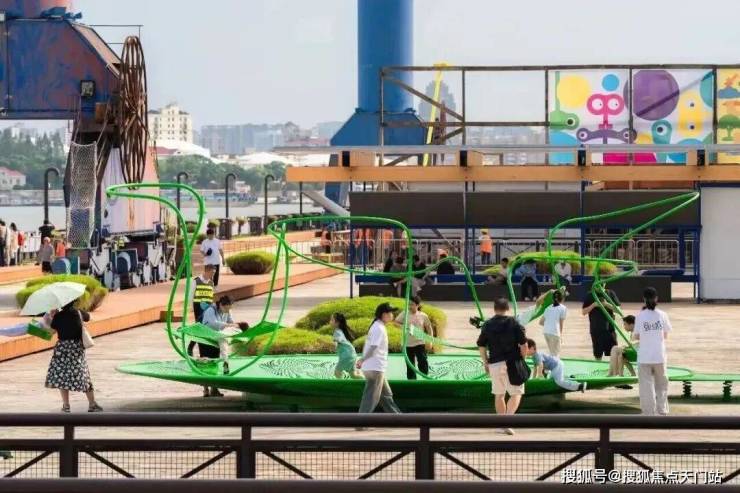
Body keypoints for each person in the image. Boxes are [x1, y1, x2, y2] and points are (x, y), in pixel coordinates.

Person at [476, 298, 528, 435]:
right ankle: (507, 422)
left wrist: (485, 362)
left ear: (494, 308)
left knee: (499, 394)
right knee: (516, 393)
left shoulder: (487, 325)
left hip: (494, 363)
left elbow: (481, 345)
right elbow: (524, 345)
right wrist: (523, 359)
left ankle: (501, 423)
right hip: (513, 363)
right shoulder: (514, 323)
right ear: (508, 308)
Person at [45, 302, 103, 413]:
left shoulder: (58, 316)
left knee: (62, 376)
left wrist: (52, 316)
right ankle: (92, 404)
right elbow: (90, 317)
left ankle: (66, 406)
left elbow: (51, 331)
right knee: (83, 374)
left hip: (62, 348)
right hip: (76, 348)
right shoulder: (79, 312)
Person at [357, 303, 401, 414]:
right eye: (390, 312)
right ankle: (360, 421)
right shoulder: (379, 328)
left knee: (386, 395)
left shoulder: (378, 326)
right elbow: (373, 347)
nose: (392, 315)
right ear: (384, 314)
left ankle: (398, 418)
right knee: (371, 399)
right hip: (375, 368)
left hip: (374, 367)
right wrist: (362, 359)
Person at [634, 287, 672, 416]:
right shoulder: (663, 315)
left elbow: (636, 336)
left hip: (644, 356)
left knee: (646, 386)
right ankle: (662, 410)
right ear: (656, 298)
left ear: (643, 299)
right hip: (659, 355)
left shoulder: (640, 316)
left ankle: (648, 413)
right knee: (662, 385)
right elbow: (665, 335)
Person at [202, 296, 243, 381]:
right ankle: (206, 386)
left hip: (220, 335)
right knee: (208, 362)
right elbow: (213, 324)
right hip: (209, 335)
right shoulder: (211, 310)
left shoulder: (227, 311)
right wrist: (229, 325)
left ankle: (225, 361)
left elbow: (231, 322)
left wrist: (236, 326)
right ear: (221, 305)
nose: (228, 311)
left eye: (229, 309)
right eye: (226, 309)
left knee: (224, 338)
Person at [395, 295, 435, 380]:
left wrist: (430, 341)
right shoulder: (404, 313)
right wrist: (405, 328)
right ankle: (412, 381)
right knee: (410, 364)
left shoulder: (423, 316)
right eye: (409, 304)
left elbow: (429, 328)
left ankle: (425, 377)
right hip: (407, 343)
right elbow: (396, 323)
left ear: (417, 305)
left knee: (422, 360)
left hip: (419, 342)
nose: (410, 306)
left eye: (412, 304)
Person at [582, 288, 621, 360]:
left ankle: (613, 367)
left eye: (602, 283)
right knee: (598, 354)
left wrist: (606, 304)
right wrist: (593, 305)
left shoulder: (610, 293)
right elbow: (584, 312)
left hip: (610, 329)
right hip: (596, 329)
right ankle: (598, 366)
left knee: (614, 353)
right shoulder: (591, 294)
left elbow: (619, 310)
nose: (601, 285)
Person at [188, 264, 217, 357]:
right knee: (200, 328)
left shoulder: (211, 283)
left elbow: (211, 297)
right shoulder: (196, 281)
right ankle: (191, 347)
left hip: (208, 309)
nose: (213, 275)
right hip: (198, 309)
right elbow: (190, 295)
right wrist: (191, 308)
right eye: (212, 272)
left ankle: (202, 352)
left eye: (214, 273)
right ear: (207, 271)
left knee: (205, 329)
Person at [331, 313, 361, 379]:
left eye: (332, 320)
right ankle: (367, 380)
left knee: (337, 372)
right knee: (353, 375)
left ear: (337, 323)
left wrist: (334, 346)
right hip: (352, 354)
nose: (330, 321)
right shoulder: (341, 331)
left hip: (346, 356)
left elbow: (337, 341)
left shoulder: (337, 331)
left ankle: (341, 385)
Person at [608, 315, 637, 380]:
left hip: (638, 353)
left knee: (615, 348)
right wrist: (627, 346)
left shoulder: (638, 331)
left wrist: (632, 343)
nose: (624, 327)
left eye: (625, 324)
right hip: (633, 351)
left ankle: (613, 373)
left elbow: (643, 340)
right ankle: (622, 374)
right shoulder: (633, 332)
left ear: (631, 325)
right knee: (620, 355)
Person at [541, 290, 567, 357]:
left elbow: (541, 322)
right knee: (555, 354)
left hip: (546, 332)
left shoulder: (548, 308)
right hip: (555, 333)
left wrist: (549, 324)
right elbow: (561, 324)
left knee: (552, 352)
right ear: (562, 299)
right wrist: (560, 336)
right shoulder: (563, 308)